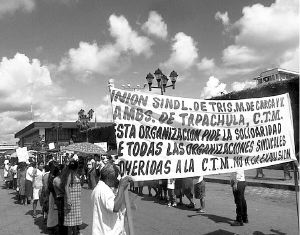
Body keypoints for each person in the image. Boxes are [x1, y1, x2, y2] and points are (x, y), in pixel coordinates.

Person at [91, 163, 132, 235]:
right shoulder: (104, 190)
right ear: (109, 178)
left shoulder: (100, 188)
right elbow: (114, 207)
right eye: (115, 177)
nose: (116, 180)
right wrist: (121, 188)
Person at [61, 159, 82, 235]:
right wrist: (69, 199)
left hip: (76, 198)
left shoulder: (75, 174)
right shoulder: (70, 174)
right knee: (70, 219)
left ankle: (75, 233)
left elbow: (80, 183)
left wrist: (82, 176)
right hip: (71, 197)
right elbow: (66, 186)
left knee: (75, 218)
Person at [53, 164, 66, 235]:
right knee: (61, 215)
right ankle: (61, 231)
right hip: (60, 198)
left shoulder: (60, 178)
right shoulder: (57, 179)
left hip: (62, 197)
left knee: (63, 214)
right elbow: (62, 189)